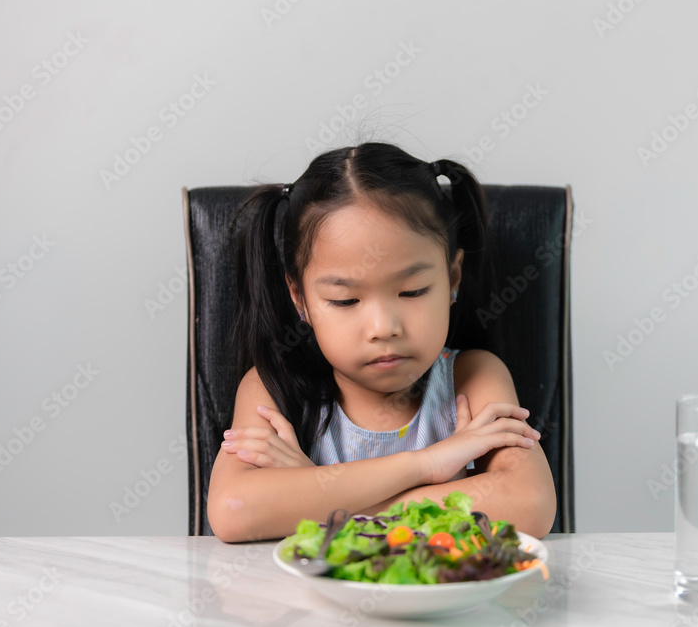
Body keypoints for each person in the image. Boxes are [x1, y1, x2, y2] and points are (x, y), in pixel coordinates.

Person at [207, 142, 556, 542]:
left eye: (412, 291)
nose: (383, 328)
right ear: (299, 298)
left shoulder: (473, 377)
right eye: (345, 300)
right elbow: (233, 510)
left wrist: (315, 495)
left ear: (452, 278)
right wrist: (428, 465)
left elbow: (529, 504)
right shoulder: (272, 387)